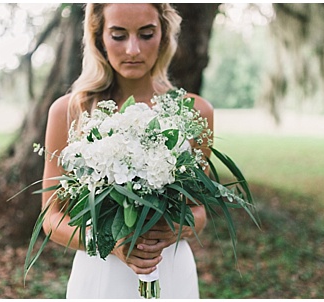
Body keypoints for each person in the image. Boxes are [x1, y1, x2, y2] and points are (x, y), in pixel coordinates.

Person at [41, 3, 213, 298]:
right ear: (98, 37)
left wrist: (176, 227)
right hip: (101, 274)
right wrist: (108, 242)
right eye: (119, 36)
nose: (133, 50)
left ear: (164, 35)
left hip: (169, 271)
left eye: (146, 34)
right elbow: (51, 218)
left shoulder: (195, 111)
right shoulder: (69, 111)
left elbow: (199, 209)